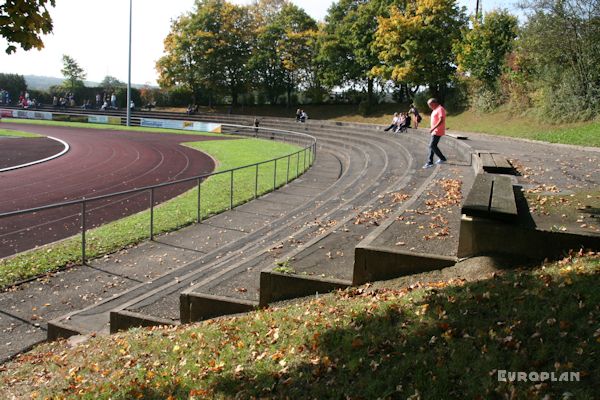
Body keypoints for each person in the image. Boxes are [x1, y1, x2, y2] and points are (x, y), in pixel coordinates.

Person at [423, 98, 447, 168]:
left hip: (437, 131)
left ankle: (442, 158)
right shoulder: (435, 110)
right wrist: (431, 126)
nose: (429, 107)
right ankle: (430, 162)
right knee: (432, 146)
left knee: (432, 146)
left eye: (429, 105)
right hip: (435, 130)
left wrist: (433, 128)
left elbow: (441, 120)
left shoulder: (440, 109)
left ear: (433, 103)